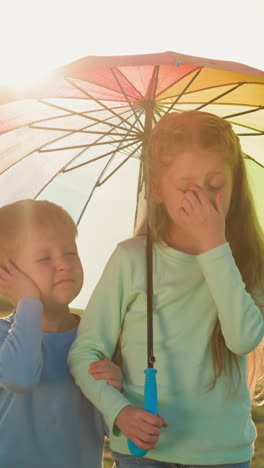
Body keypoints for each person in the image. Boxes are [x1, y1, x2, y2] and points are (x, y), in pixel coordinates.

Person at [68, 111, 264, 468]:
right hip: (143, 452)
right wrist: (120, 412)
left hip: (222, 454)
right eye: (186, 186)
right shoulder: (131, 259)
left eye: (215, 185)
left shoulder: (248, 260)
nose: (201, 197)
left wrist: (213, 245)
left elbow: (244, 339)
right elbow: (86, 354)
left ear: (236, 185)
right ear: (156, 189)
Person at [0, 199, 122, 468]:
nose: (63, 264)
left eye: (70, 253)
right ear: (7, 275)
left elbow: (112, 429)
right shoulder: (3, 336)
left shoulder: (97, 340)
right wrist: (28, 302)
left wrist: (116, 389)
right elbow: (19, 377)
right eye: (44, 258)